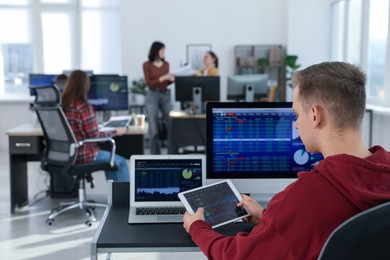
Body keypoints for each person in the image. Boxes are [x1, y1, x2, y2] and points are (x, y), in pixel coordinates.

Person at [182, 61, 390, 259]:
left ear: (315, 116)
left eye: (297, 114)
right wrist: (267, 217)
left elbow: (236, 256)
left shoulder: (306, 196)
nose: (297, 124)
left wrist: (198, 228)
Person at [61, 70, 130, 182]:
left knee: (111, 159)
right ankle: (123, 198)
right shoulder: (83, 107)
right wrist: (116, 131)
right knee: (120, 162)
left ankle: (115, 196)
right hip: (83, 153)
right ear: (85, 86)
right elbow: (97, 137)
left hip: (66, 153)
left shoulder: (64, 105)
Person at [143, 41, 175, 154]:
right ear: (156, 51)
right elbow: (149, 83)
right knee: (153, 127)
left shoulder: (166, 64)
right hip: (152, 95)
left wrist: (171, 80)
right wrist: (163, 77)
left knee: (171, 124)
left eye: (164, 50)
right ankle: (155, 155)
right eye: (162, 50)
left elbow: (166, 82)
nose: (163, 52)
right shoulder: (147, 65)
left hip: (165, 94)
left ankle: (172, 154)